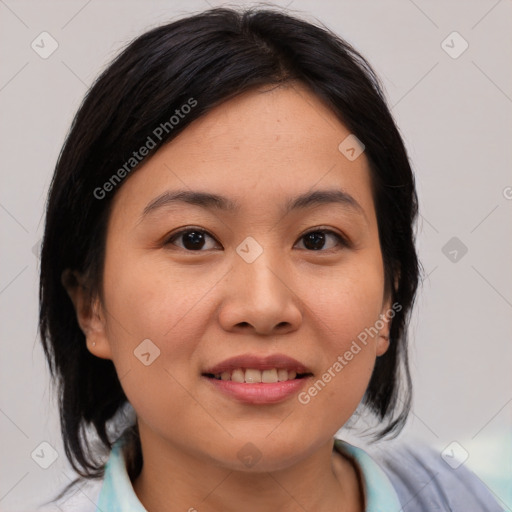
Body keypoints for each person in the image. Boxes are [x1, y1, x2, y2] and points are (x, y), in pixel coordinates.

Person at [38, 6, 503, 511]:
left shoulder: (467, 498)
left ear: (390, 296)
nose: (263, 306)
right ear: (91, 307)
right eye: (193, 239)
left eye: (318, 239)